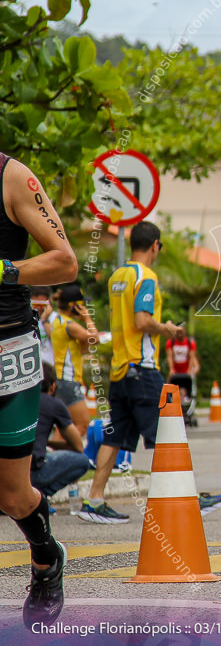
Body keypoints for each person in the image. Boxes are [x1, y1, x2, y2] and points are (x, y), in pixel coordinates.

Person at [78, 221, 221, 524]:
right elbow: (142, 320)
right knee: (169, 432)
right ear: (155, 245)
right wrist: (168, 329)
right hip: (143, 370)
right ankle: (187, 497)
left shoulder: (118, 276)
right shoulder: (145, 276)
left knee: (114, 437)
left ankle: (93, 501)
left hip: (121, 371)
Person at [0, 151, 78, 626]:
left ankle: (47, 559)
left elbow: (65, 261)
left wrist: (5, 271)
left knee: (12, 496)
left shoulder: (13, 177)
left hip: (7, 347)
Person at [31, 364, 91, 499]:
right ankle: (39, 497)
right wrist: (50, 443)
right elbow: (78, 446)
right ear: (53, 386)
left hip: (6, 471)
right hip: (31, 473)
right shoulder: (53, 404)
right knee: (82, 461)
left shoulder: (14, 400)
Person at [49, 283, 97, 437]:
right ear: (74, 306)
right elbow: (95, 339)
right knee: (82, 424)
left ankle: (55, 457)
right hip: (68, 380)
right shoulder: (70, 325)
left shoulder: (57, 321)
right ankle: (60, 458)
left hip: (60, 380)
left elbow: (84, 348)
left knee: (65, 428)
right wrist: (88, 318)